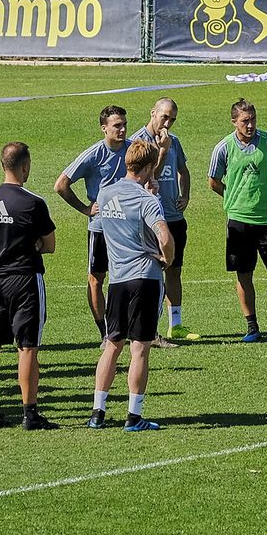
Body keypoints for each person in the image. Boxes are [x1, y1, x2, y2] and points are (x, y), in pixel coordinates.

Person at [86, 141, 176, 431]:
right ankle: (134, 416)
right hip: (145, 279)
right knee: (140, 349)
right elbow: (163, 236)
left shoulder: (106, 192)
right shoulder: (147, 201)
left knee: (112, 345)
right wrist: (166, 259)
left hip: (118, 280)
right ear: (149, 168)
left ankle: (97, 413)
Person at [0, 142, 59, 430]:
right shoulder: (33, 202)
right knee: (27, 348)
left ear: (2, 165)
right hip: (25, 280)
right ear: (25, 166)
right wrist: (35, 243)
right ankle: (30, 413)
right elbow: (49, 245)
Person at [208, 99, 267, 343]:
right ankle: (252, 327)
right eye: (245, 121)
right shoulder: (223, 147)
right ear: (234, 122)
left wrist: (265, 194)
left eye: (253, 120)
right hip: (239, 222)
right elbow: (214, 181)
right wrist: (234, 198)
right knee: (244, 275)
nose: (250, 125)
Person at [55, 105, 131, 337]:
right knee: (96, 279)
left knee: (130, 277)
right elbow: (61, 185)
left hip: (129, 227)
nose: (123, 129)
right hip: (101, 228)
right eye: (117, 125)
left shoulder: (132, 150)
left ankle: (134, 328)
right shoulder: (93, 154)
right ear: (104, 128)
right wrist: (85, 209)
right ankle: (105, 332)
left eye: (124, 124)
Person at [138, 97, 199, 342]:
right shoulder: (138, 142)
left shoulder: (175, 141)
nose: (168, 122)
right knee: (151, 272)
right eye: (164, 117)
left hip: (173, 216)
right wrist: (162, 150)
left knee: (174, 270)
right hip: (151, 218)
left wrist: (185, 195)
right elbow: (145, 177)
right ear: (153, 112)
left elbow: (183, 170)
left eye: (172, 118)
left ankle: (176, 325)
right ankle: (148, 328)